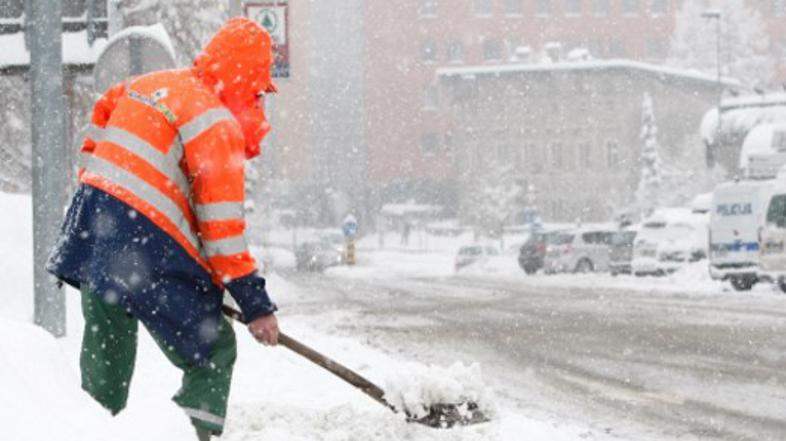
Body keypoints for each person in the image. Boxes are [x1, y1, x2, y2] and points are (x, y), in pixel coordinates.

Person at [46, 18, 280, 440]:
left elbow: (97, 130)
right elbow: (223, 233)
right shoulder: (216, 123)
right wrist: (256, 305)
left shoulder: (148, 83)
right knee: (213, 351)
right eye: (259, 91)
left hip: (95, 227)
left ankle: (91, 432)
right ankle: (183, 433)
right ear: (251, 80)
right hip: (145, 245)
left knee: (106, 361)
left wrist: (107, 213)